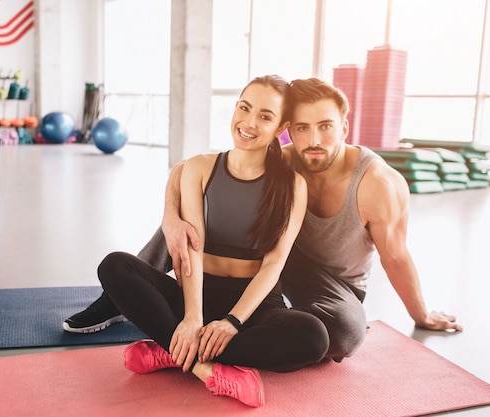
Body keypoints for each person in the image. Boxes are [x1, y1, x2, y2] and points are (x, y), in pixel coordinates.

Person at [65, 77, 462, 361]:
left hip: (323, 279)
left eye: (325, 127)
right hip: (272, 259)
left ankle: (190, 344)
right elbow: (191, 169)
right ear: (289, 132)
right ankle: (115, 301)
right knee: (189, 221)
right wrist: (171, 215)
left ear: (344, 126)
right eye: (303, 129)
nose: (315, 140)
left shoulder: (377, 183)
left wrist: (421, 314)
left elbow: (395, 255)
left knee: (339, 337)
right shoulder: (286, 156)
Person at [94, 75, 328, 408]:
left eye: (265, 116)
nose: (249, 123)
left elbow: (275, 262)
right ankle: (204, 367)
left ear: (280, 128)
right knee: (115, 266)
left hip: (255, 305)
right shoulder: (200, 168)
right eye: (244, 108)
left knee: (313, 336)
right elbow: (193, 248)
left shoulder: (293, 185)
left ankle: (172, 352)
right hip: (198, 292)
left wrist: (233, 322)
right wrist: (192, 318)